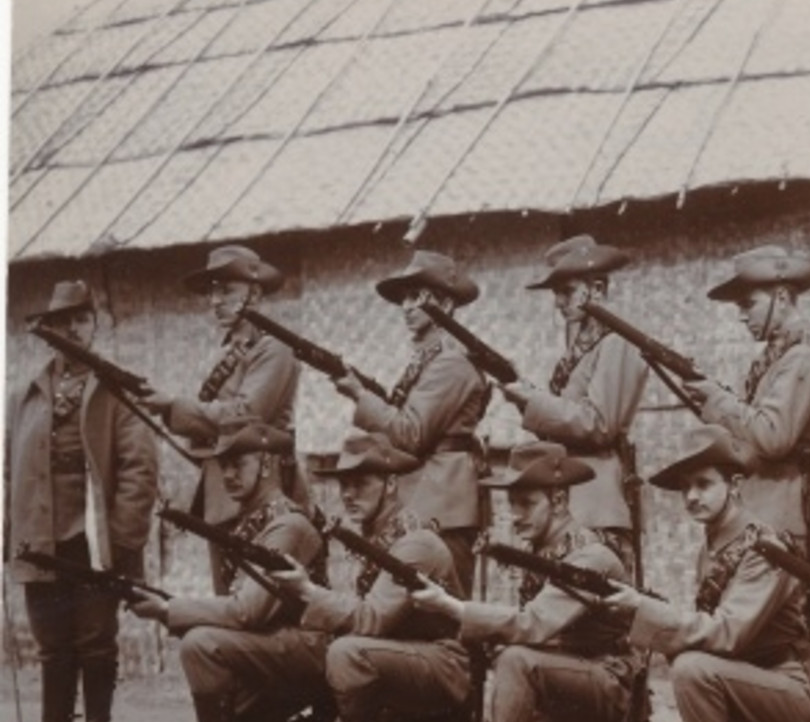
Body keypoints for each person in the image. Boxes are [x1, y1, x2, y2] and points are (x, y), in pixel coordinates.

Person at [605, 425, 810, 722]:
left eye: (704, 484)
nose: (692, 496)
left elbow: (728, 633)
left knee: (691, 666)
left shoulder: (764, 546)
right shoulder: (712, 544)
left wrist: (649, 613)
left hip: (793, 695)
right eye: (685, 488)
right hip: (739, 693)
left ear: (735, 485)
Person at [417, 441, 644, 722]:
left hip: (607, 687)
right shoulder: (542, 550)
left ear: (558, 500)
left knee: (517, 660)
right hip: (559, 684)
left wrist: (455, 608)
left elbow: (534, 625)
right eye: (511, 505)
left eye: (525, 504)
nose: (515, 516)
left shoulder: (590, 555)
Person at [688, 244, 810, 722]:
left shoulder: (805, 359)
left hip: (783, 515)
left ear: (783, 298)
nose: (742, 314)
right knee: (755, 641)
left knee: (781, 637)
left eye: (749, 302)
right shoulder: (776, 359)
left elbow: (774, 438)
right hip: (762, 506)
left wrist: (721, 404)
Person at [128, 418, 327, 722]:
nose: (229, 475)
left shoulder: (287, 524)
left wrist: (170, 610)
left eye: (240, 464)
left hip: (310, 649)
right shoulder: (251, 522)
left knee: (200, 643)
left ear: (267, 464)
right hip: (271, 654)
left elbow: (249, 610)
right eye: (224, 467)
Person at [267, 432, 469, 722]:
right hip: (396, 663)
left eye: (361, 483)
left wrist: (307, 591)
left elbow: (369, 618)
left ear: (391, 485)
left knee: (345, 652)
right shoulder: (376, 536)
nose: (348, 494)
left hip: (442, 667)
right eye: (344, 485)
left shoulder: (414, 542)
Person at [5, 280, 158, 722]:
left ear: (93, 325)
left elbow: (139, 468)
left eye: (82, 319)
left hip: (93, 537)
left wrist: (122, 534)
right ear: (47, 330)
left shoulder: (115, 388)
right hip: (39, 536)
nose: (73, 329)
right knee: (51, 638)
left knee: (95, 638)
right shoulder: (24, 395)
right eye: (63, 321)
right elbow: (8, 471)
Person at [139, 245, 300, 590]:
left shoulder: (274, 348)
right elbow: (208, 420)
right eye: (213, 290)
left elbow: (247, 414)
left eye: (226, 290)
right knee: (227, 594)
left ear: (254, 293)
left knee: (265, 597)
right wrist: (172, 410)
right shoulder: (225, 351)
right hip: (225, 486)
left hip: (263, 485)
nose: (215, 300)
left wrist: (173, 406)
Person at [334, 249, 488, 590]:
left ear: (445, 305)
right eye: (403, 298)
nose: (406, 307)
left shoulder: (451, 363)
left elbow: (411, 432)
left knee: (445, 610)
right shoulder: (427, 362)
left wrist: (360, 396)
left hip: (443, 506)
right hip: (423, 498)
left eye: (415, 297)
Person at [500, 235, 647, 582]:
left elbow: (598, 424)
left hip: (596, 505)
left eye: (566, 291)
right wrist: (529, 401)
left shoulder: (616, 344)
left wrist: (533, 401)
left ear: (596, 288)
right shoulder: (580, 350)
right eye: (556, 294)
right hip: (570, 506)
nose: (558, 303)